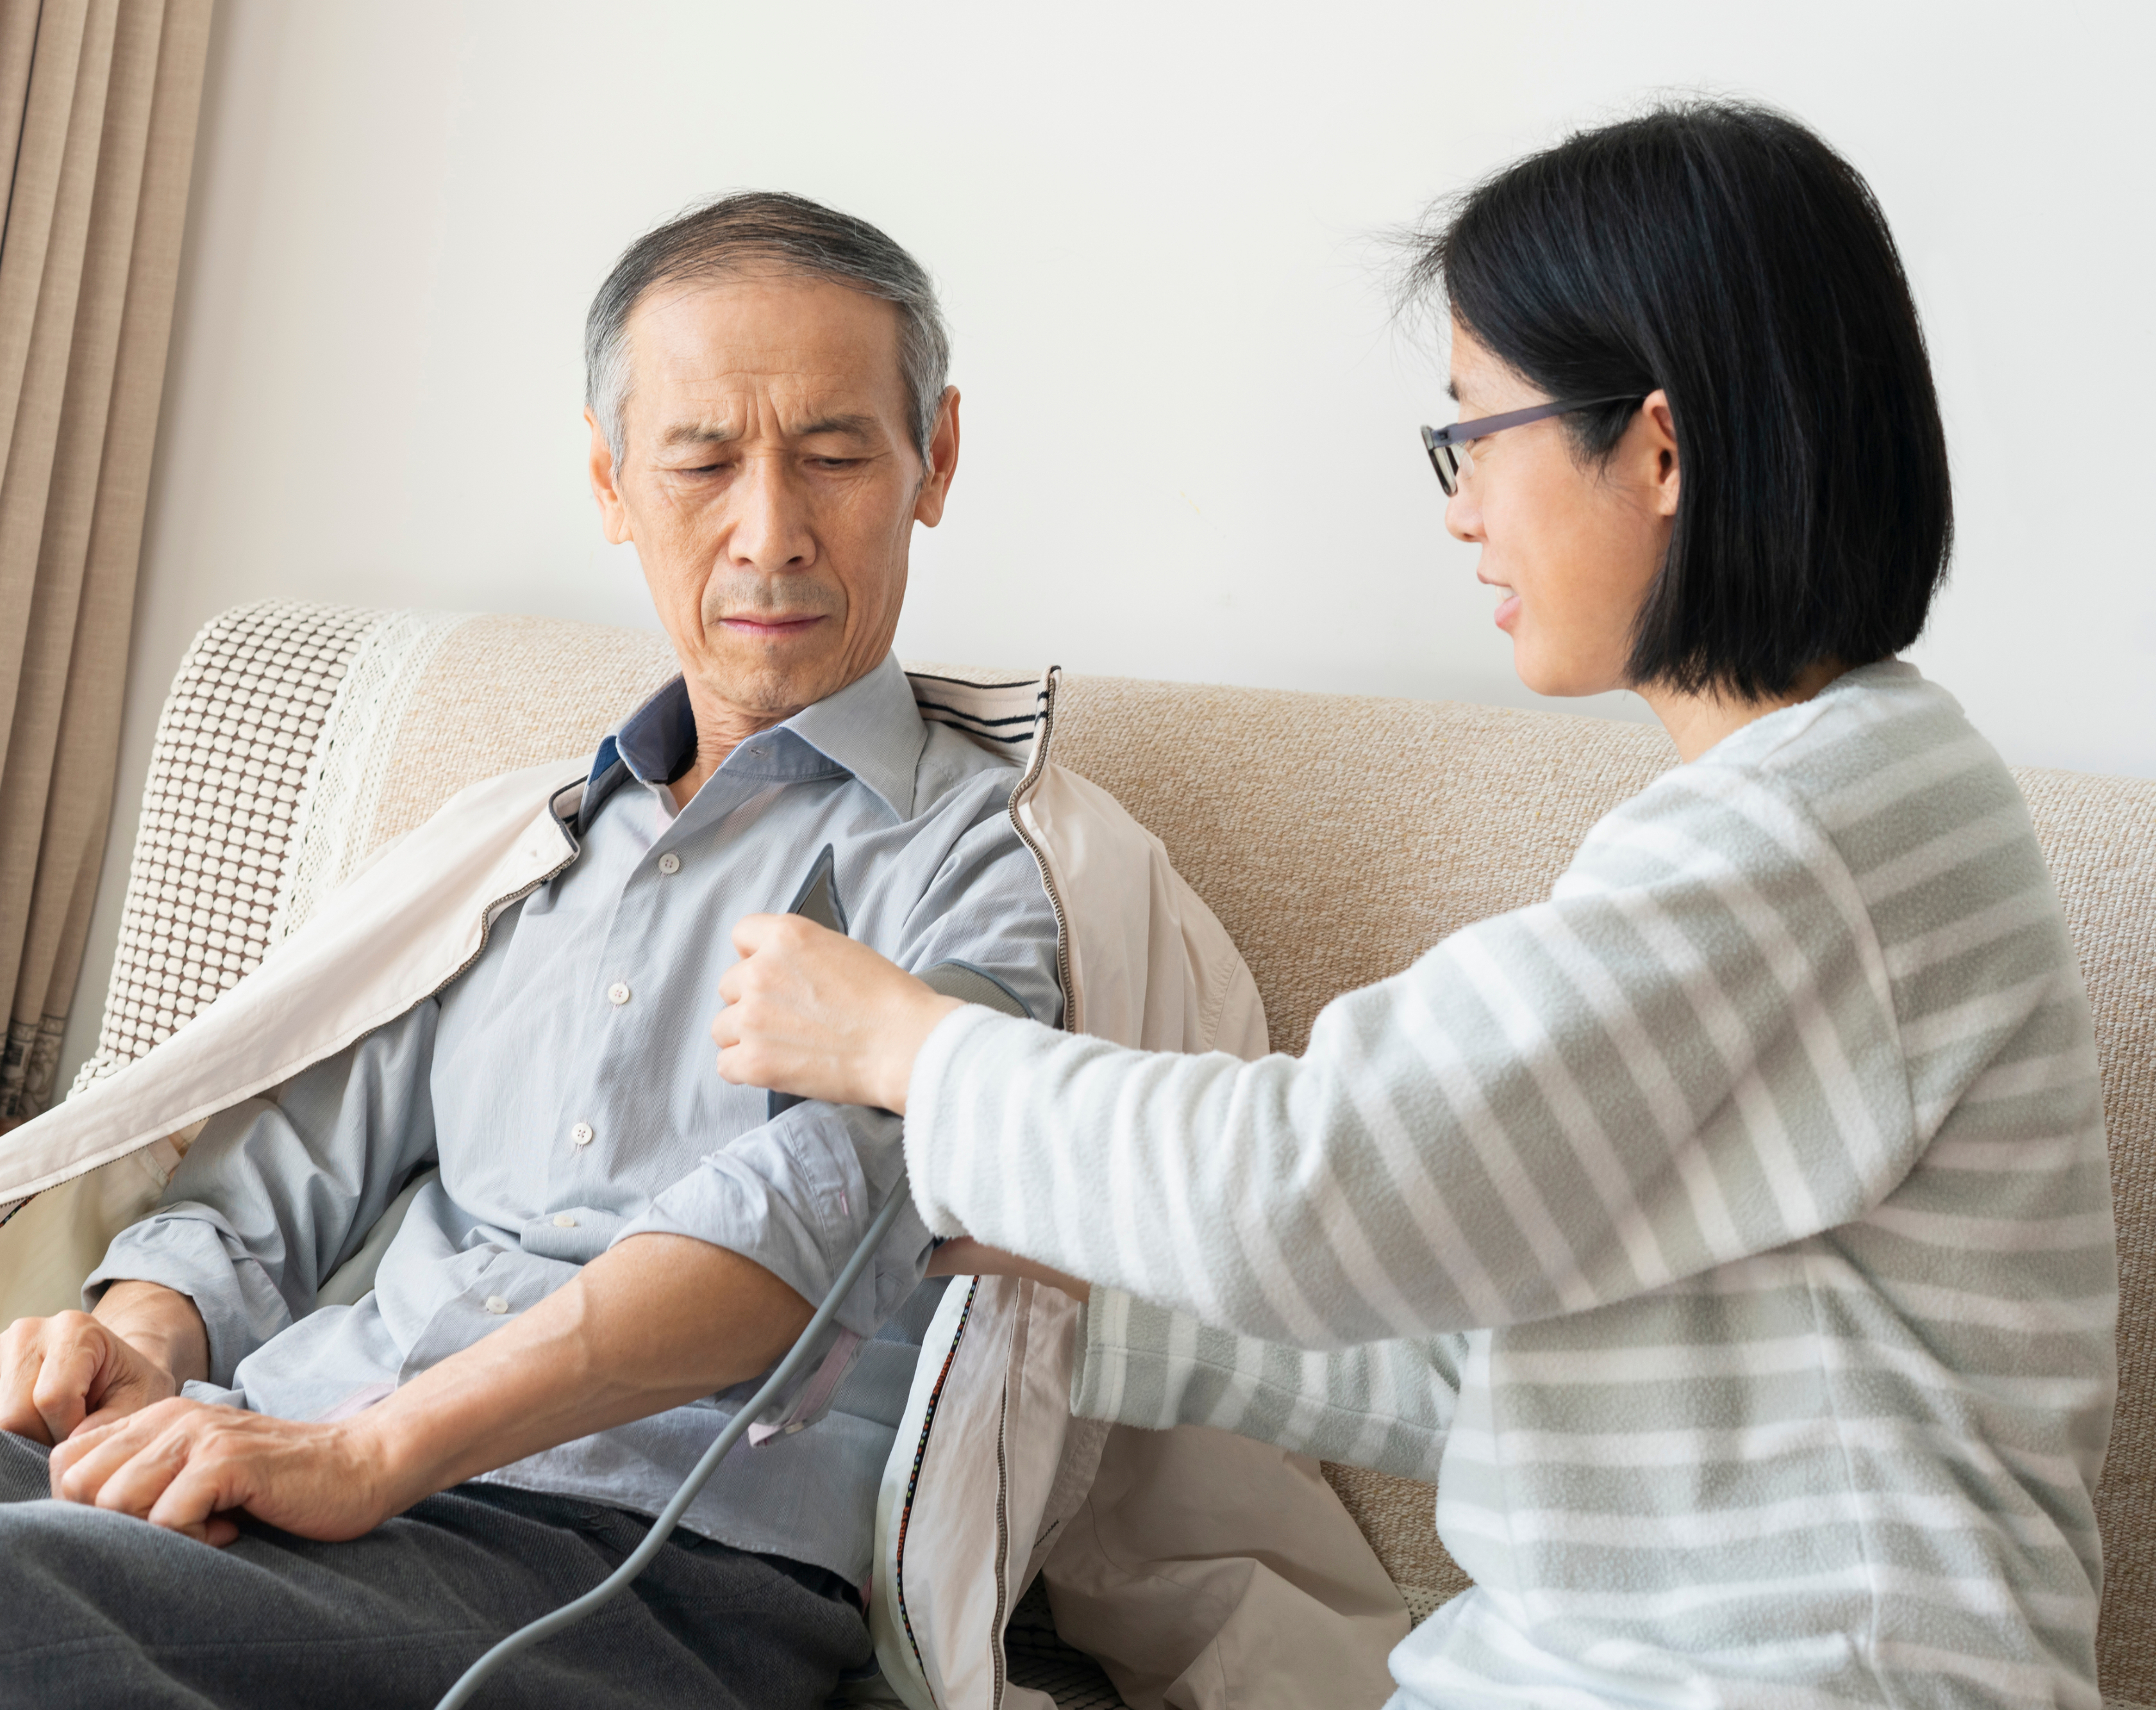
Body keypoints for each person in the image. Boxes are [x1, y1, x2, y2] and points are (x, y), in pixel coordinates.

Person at [714, 103, 2114, 1706]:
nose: (1456, 507)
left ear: (1656, 447)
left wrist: (912, 1047)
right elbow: (1509, 1370)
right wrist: (1075, 1312)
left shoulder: (1810, 848)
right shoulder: (1824, 813)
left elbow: (1309, 1191)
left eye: (1475, 433)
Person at [0, 193, 1067, 1709]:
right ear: (611, 478)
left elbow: (804, 1226)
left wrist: (374, 1450)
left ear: (930, 459)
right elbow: (284, 1164)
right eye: (702, 459)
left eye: (831, 456)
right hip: (276, 1453)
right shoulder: (515, 847)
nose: (770, 531)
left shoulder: (987, 864)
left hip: (638, 1562)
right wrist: (142, 1340)